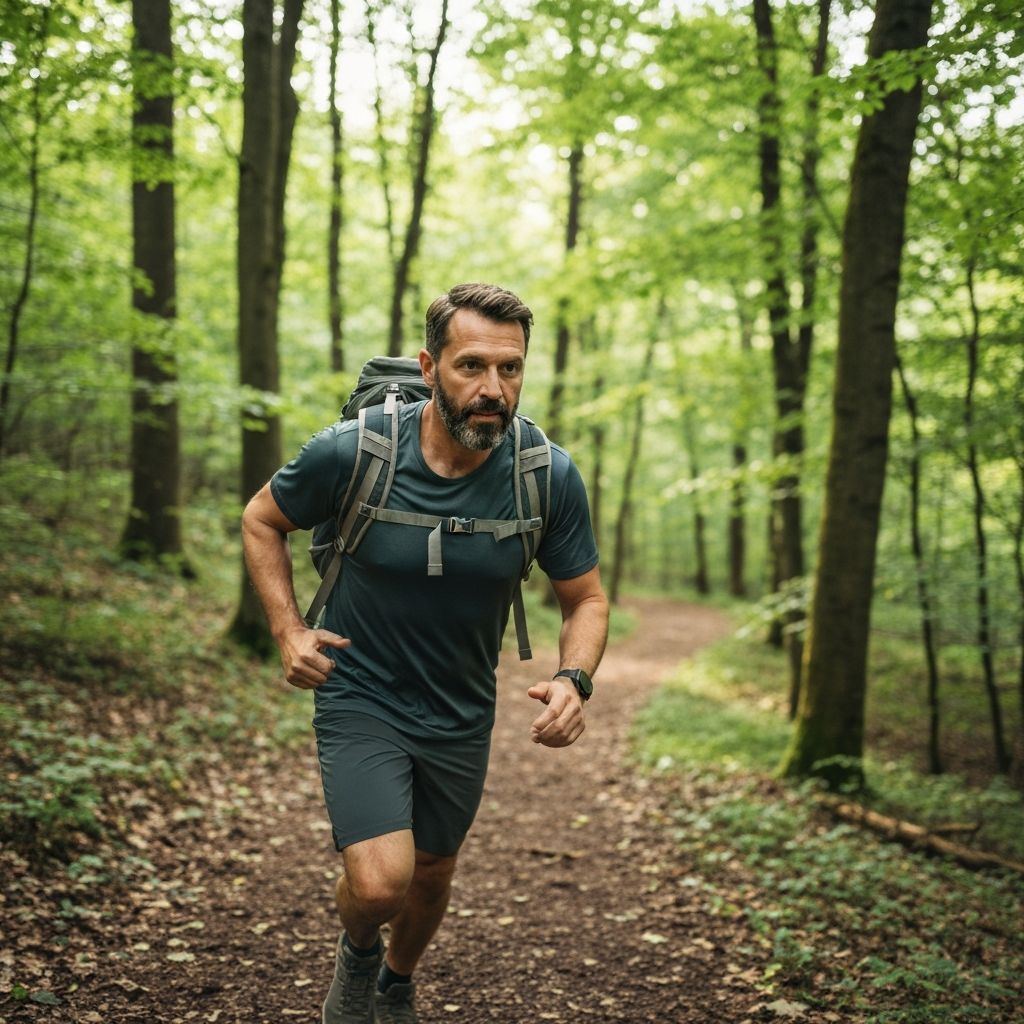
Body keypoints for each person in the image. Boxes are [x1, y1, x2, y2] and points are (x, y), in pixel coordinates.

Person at [240, 282, 609, 1024]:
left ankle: (397, 981)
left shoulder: (545, 474)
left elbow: (587, 600)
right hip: (361, 692)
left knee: (432, 874)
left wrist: (575, 678)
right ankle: (358, 952)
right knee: (381, 884)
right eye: (471, 366)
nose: (492, 388)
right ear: (429, 367)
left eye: (509, 368)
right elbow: (261, 518)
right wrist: (287, 630)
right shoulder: (354, 451)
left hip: (461, 705)